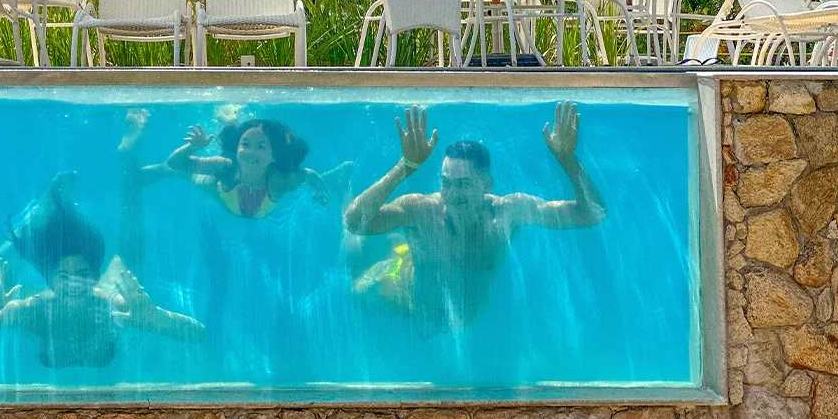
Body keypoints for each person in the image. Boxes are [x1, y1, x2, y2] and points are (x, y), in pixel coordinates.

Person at [0, 111, 203, 367]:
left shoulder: (112, 308)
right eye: (64, 276)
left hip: (109, 286)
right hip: (68, 292)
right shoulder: (33, 312)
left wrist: (155, 318)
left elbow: (197, 333)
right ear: (50, 278)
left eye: (82, 273)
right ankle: (38, 219)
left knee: (128, 258)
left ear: (94, 275)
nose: (74, 282)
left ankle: (124, 159)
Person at [343, 102, 606, 331]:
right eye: (446, 182)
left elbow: (593, 214)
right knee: (356, 292)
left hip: (467, 317)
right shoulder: (422, 211)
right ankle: (394, 258)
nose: (453, 193)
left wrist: (567, 160)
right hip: (408, 302)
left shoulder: (510, 212)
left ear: (487, 184)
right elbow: (354, 222)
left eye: (464, 183)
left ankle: (400, 249)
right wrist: (406, 166)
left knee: (399, 247)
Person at [166, 118, 352, 219]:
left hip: (261, 208)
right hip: (221, 194)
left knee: (298, 183)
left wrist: (320, 187)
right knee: (185, 175)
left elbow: (307, 175)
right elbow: (174, 163)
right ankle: (228, 116)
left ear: (274, 156)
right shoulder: (225, 167)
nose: (250, 152)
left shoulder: (279, 181)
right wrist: (194, 147)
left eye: (261, 147)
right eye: (245, 144)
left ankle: (334, 178)